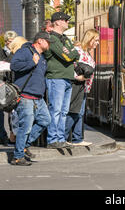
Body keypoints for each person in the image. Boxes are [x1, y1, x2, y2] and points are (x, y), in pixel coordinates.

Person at [9, 31, 52, 166]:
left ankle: (24, 146)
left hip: (37, 97)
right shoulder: (26, 51)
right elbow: (14, 66)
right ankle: (17, 156)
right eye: (48, 41)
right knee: (25, 127)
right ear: (40, 41)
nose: (50, 44)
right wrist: (31, 63)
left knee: (45, 120)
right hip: (26, 96)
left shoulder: (42, 56)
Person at [44, 12, 79, 149]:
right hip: (56, 77)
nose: (67, 22)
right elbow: (68, 56)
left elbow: (74, 53)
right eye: (65, 20)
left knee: (64, 111)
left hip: (66, 77)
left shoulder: (65, 38)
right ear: (57, 22)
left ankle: (60, 138)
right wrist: (73, 53)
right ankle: (53, 139)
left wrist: (73, 53)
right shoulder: (52, 38)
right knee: (56, 110)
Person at [65, 29, 97, 146]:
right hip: (77, 84)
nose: (97, 43)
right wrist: (76, 77)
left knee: (80, 112)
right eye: (96, 40)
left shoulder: (87, 52)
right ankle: (63, 136)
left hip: (84, 86)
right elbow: (69, 65)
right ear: (90, 39)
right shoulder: (78, 51)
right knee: (74, 110)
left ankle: (77, 138)